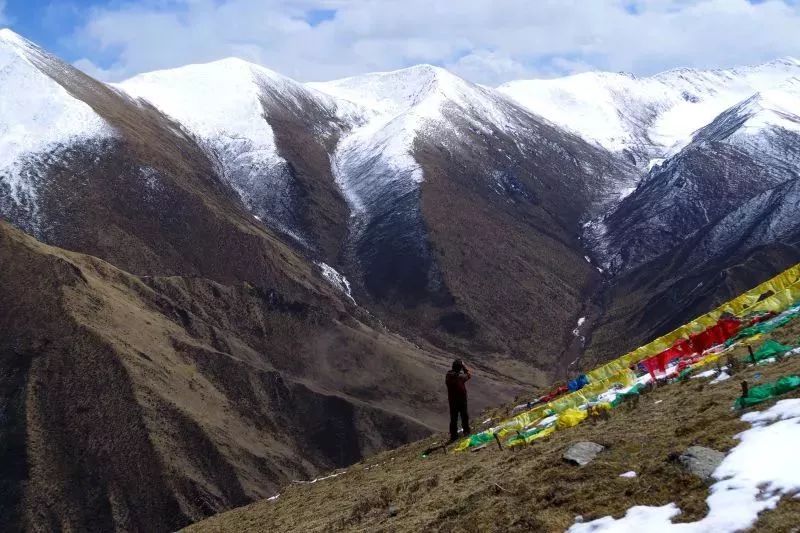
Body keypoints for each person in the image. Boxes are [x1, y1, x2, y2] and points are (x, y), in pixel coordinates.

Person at [446, 359, 471, 442]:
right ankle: (466, 431)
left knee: (453, 418)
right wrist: (464, 366)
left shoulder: (448, 376)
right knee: (464, 416)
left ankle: (453, 435)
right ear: (459, 368)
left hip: (452, 400)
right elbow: (468, 375)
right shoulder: (460, 377)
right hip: (461, 400)